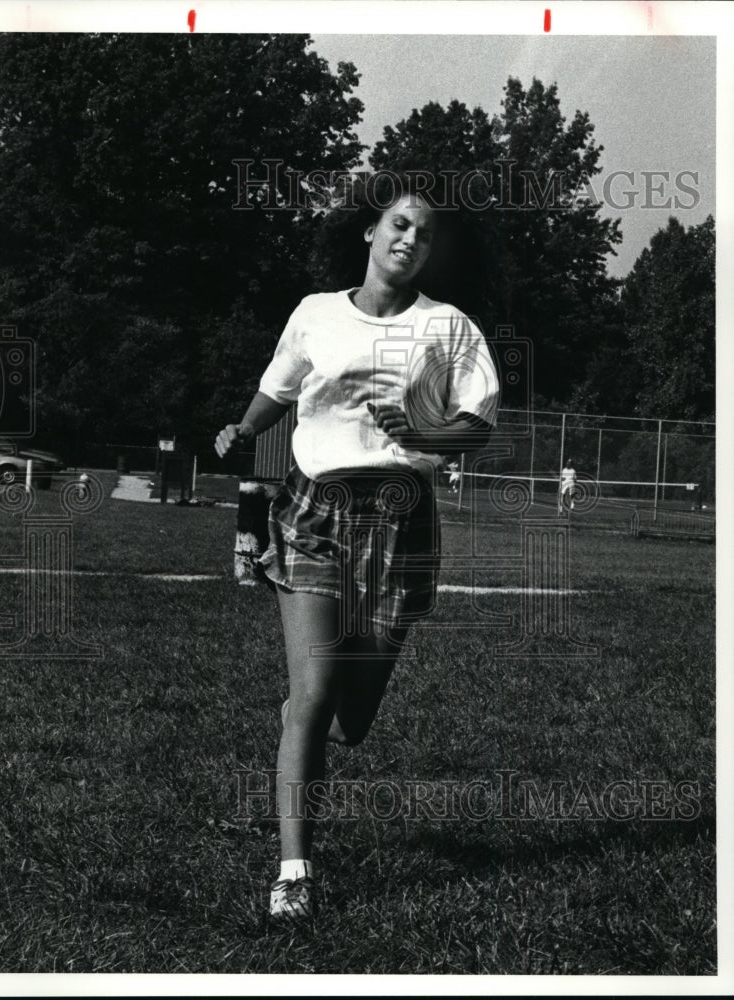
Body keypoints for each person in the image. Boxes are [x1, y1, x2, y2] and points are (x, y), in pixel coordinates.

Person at [215, 173, 500, 920]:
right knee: (313, 695)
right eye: (399, 225)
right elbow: (281, 385)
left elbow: (480, 423)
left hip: (401, 518)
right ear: (369, 233)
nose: (410, 240)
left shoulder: (449, 328)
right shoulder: (315, 314)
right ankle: (294, 873)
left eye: (426, 233)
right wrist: (244, 430)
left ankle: (303, 726)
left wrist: (428, 435)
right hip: (314, 505)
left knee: (353, 718)